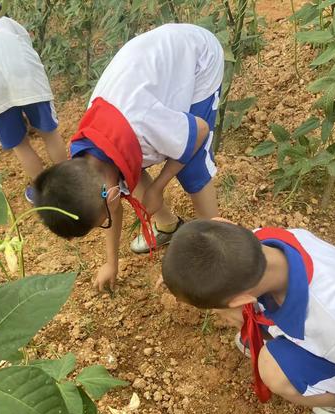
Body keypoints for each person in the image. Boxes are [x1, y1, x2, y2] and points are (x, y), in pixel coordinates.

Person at [33, 24, 224, 291]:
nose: (109, 216)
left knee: (190, 168)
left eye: (104, 220)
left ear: (109, 195)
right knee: (131, 168)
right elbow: (114, 197)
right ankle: (168, 226)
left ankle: (219, 250)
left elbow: (200, 133)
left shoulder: (141, 123)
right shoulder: (87, 153)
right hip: (150, 73)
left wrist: (159, 186)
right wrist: (111, 262)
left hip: (197, 58)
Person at [161, 219, 335, 414]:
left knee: (273, 371)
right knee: (247, 322)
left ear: (241, 299)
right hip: (325, 326)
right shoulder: (260, 243)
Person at [0, 8, 67, 193]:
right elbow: (26, 47)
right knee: (49, 134)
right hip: (26, 77)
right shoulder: (10, 23)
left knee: (20, 145)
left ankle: (43, 191)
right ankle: (70, 182)